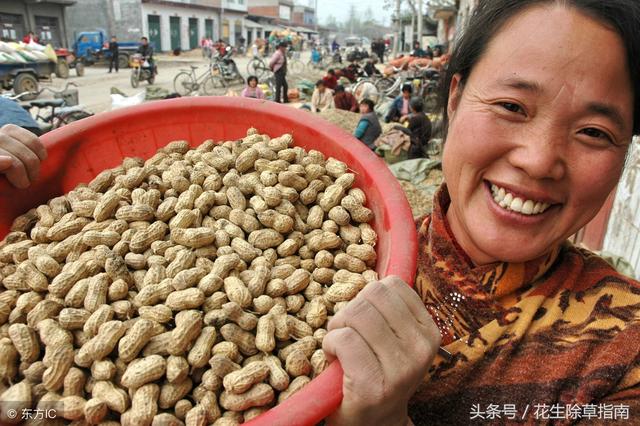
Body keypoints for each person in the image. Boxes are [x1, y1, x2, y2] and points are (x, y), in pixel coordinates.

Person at [323, 1, 640, 424]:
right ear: (455, 98)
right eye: (512, 106)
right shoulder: (336, 261)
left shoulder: (626, 348)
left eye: (593, 132)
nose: (539, 161)